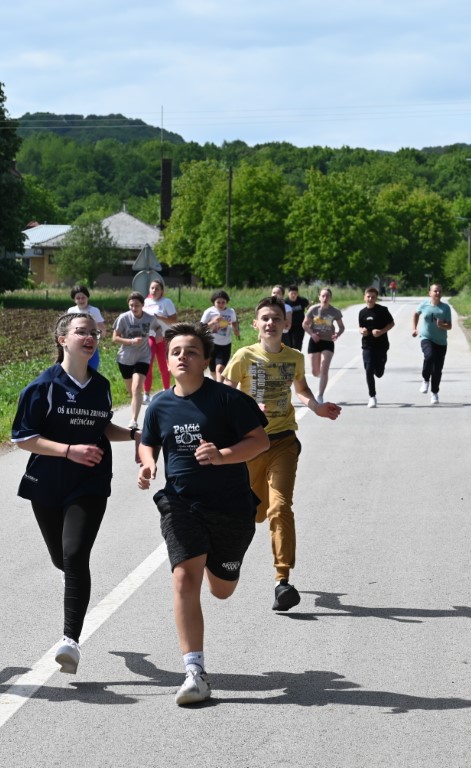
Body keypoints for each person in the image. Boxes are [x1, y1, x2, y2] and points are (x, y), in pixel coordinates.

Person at [137, 322, 270, 705]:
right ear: (168, 359)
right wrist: (148, 464)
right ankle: (194, 673)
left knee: (222, 590)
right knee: (184, 577)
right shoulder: (159, 404)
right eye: (176, 351)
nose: (183, 357)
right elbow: (148, 444)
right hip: (181, 503)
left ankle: (221, 566)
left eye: (192, 351)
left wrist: (223, 455)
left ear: (206, 359)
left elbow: (259, 441)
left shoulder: (227, 400)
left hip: (231, 508)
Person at [11, 311, 138, 676]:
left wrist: (134, 435)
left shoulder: (101, 385)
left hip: (90, 482)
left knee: (76, 555)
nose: (90, 337)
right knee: (62, 560)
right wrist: (69, 450)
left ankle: (70, 641)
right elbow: (23, 438)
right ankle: (72, 583)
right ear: (62, 339)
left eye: (94, 332)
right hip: (47, 484)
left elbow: (101, 427)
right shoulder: (42, 387)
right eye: (81, 331)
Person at [224, 296, 342, 612]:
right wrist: (248, 408)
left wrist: (316, 407)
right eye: (265, 318)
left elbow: (301, 390)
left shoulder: (294, 358)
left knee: (280, 507)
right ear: (255, 324)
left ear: (286, 324)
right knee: (254, 513)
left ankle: (282, 581)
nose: (270, 323)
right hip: (250, 444)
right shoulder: (244, 356)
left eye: (276, 318)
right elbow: (224, 393)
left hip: (283, 442)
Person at [112, 291, 153, 429]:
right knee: (132, 392)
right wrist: (130, 341)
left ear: (142, 305)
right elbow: (115, 338)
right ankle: (136, 402)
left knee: (136, 388)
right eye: (131, 305)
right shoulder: (123, 318)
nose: (134, 308)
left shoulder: (150, 318)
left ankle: (133, 421)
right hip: (125, 358)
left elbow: (160, 329)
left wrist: (159, 334)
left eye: (137, 305)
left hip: (143, 357)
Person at [302, 287, 345, 403]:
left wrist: (337, 334)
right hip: (315, 341)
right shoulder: (313, 309)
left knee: (324, 368)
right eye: (323, 296)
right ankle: (321, 376)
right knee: (315, 372)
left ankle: (320, 395)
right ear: (319, 297)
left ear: (330, 298)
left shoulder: (335, 311)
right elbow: (305, 324)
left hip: (328, 342)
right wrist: (312, 334)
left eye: (327, 296)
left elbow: (342, 327)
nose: (325, 298)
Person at [412, 283, 452, 404]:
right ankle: (425, 380)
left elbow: (449, 326)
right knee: (429, 356)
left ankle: (434, 393)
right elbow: (415, 314)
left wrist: (441, 325)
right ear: (430, 293)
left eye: (439, 291)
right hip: (426, 338)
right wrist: (414, 328)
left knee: (437, 369)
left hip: (441, 342)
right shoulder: (424, 305)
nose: (437, 293)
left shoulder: (445, 308)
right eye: (435, 291)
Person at [358, 286, 395, 408]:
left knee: (379, 373)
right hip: (367, 345)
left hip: (381, 345)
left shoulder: (382, 310)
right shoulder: (362, 313)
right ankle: (372, 396)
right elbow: (360, 327)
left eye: (373, 297)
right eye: (368, 297)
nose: (370, 299)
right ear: (364, 297)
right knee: (368, 369)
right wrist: (362, 331)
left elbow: (392, 323)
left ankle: (379, 367)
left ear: (376, 298)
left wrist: (381, 331)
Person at [143, 279, 178, 403]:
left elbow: (174, 320)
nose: (154, 290)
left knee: (164, 365)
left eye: (157, 288)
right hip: (149, 337)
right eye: (152, 288)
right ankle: (146, 393)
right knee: (148, 365)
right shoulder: (145, 302)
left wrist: (159, 317)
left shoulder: (166, 302)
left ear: (162, 291)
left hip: (163, 337)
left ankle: (166, 390)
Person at [199, 289, 240, 381]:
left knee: (220, 368)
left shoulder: (231, 312)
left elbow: (234, 322)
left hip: (225, 345)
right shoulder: (209, 312)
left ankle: (219, 387)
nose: (221, 304)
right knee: (213, 370)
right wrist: (213, 322)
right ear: (214, 302)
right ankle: (216, 382)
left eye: (223, 302)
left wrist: (236, 330)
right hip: (211, 344)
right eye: (218, 302)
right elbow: (201, 327)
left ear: (227, 302)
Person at [67, 285, 106, 373]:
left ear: (87, 297)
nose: (81, 300)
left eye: (83, 297)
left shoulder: (94, 311)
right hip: (76, 347)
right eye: (78, 298)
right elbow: (67, 329)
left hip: (90, 346)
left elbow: (103, 331)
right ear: (74, 299)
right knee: (76, 372)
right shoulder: (71, 311)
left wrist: (94, 323)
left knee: (91, 371)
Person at [283, 285, 310, 350]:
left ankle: (297, 356)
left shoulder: (302, 300)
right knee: (289, 345)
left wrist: (309, 320)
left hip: (300, 326)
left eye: (295, 294)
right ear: (288, 294)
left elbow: (310, 309)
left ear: (297, 294)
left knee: (298, 344)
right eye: (291, 293)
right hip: (289, 326)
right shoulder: (285, 302)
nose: (293, 295)